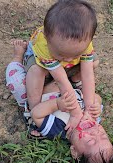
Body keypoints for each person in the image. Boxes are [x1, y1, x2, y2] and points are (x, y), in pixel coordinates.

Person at [6, 40, 113, 163]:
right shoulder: (94, 118)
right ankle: (74, 79)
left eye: (90, 141)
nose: (94, 132)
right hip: (64, 81)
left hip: (38, 87)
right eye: (103, 136)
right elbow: (97, 98)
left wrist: (57, 105)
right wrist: (95, 104)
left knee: (19, 82)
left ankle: (18, 56)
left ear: (74, 152)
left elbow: (37, 114)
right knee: (93, 62)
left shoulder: (59, 129)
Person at [23, 0, 100, 132]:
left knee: (93, 62)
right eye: (61, 54)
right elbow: (61, 80)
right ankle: (32, 110)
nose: (69, 59)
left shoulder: (84, 44)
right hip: (43, 64)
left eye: (77, 54)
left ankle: (75, 81)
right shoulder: (44, 45)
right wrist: (76, 113)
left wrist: (89, 109)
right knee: (36, 71)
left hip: (62, 67)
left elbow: (88, 75)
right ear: (47, 38)